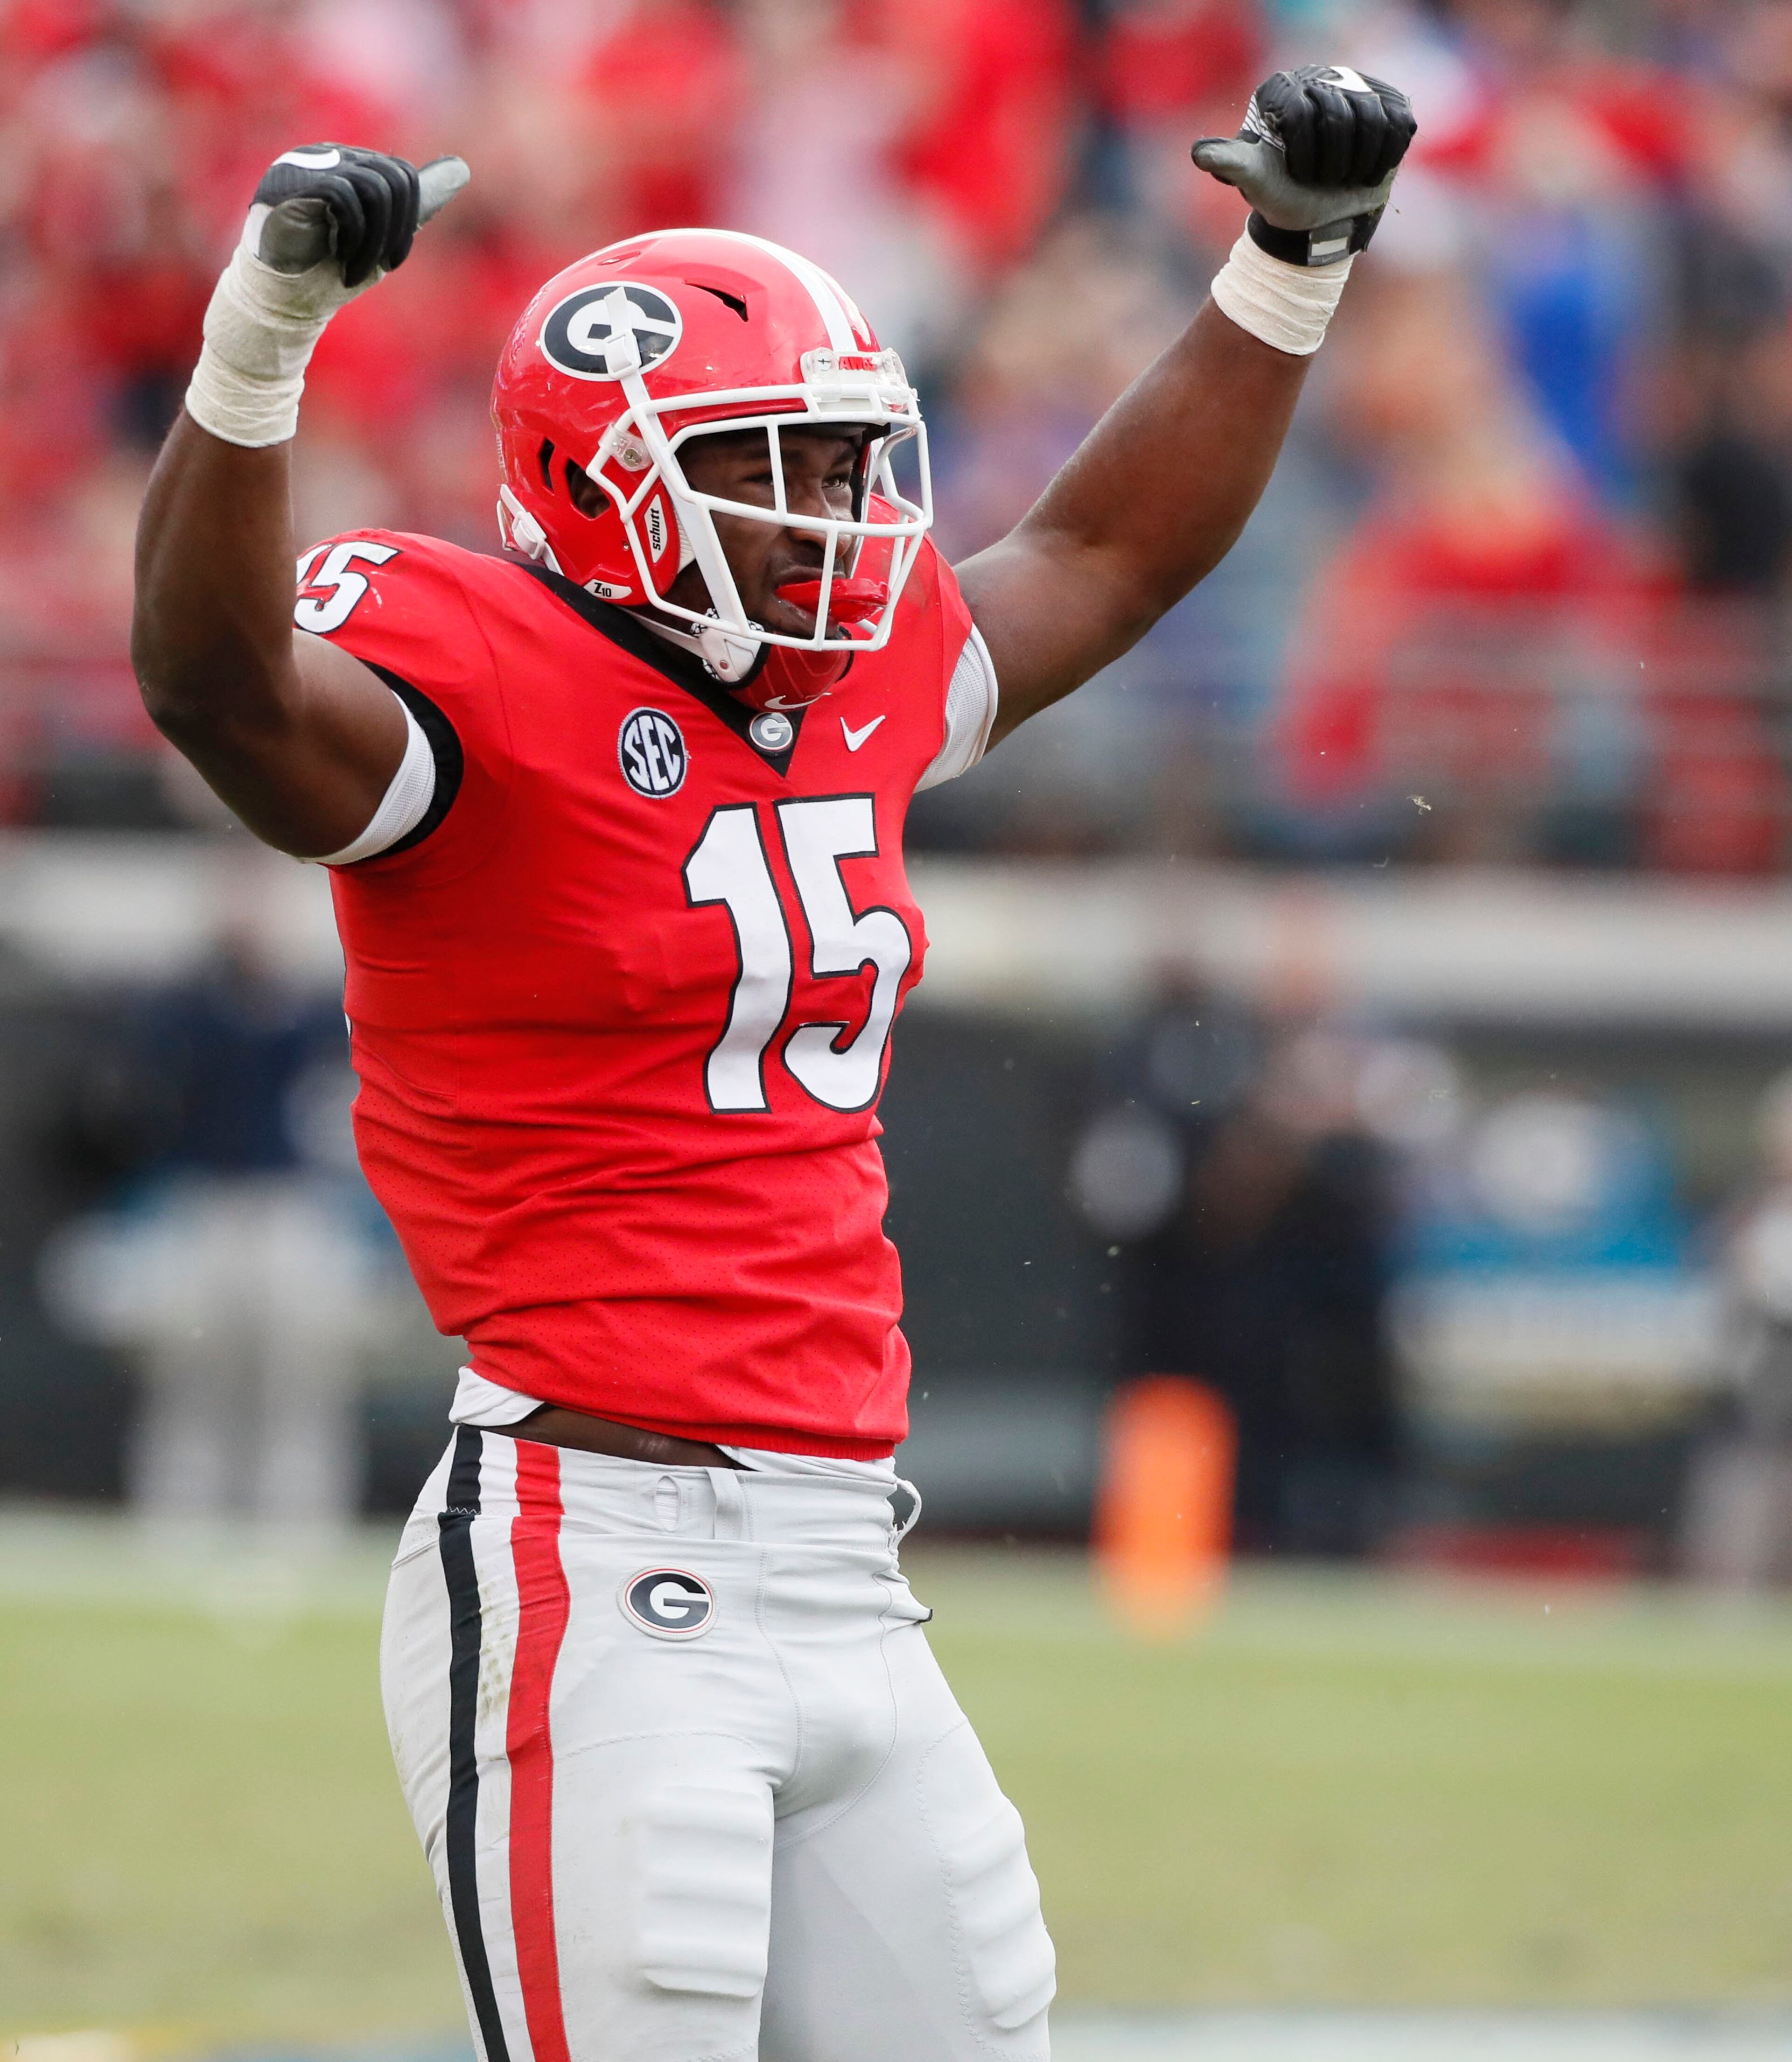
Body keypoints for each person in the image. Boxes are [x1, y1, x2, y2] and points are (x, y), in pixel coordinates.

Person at [130, 73, 1414, 2062]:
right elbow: (216, 686)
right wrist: (264, 335)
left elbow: (1102, 554)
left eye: (847, 468)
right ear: (601, 487)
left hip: (844, 1558)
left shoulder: (861, 675)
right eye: (773, 472)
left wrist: (1292, 262)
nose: (834, 522)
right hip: (593, 1536)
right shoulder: (470, 683)